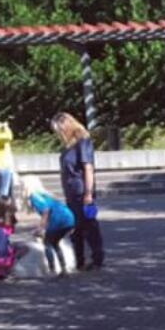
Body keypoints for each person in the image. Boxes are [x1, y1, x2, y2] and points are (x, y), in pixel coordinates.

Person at [50, 111, 104, 270]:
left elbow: (88, 168)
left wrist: (88, 193)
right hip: (71, 193)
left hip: (83, 192)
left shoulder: (83, 142)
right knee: (75, 228)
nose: (58, 134)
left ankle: (97, 258)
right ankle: (79, 260)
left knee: (90, 225)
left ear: (66, 126)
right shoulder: (67, 146)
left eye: (58, 130)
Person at [28, 186, 76, 276]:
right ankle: (63, 268)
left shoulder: (34, 197)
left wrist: (40, 228)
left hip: (59, 221)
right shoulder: (46, 195)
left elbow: (45, 211)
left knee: (47, 243)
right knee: (55, 243)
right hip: (69, 219)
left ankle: (52, 269)